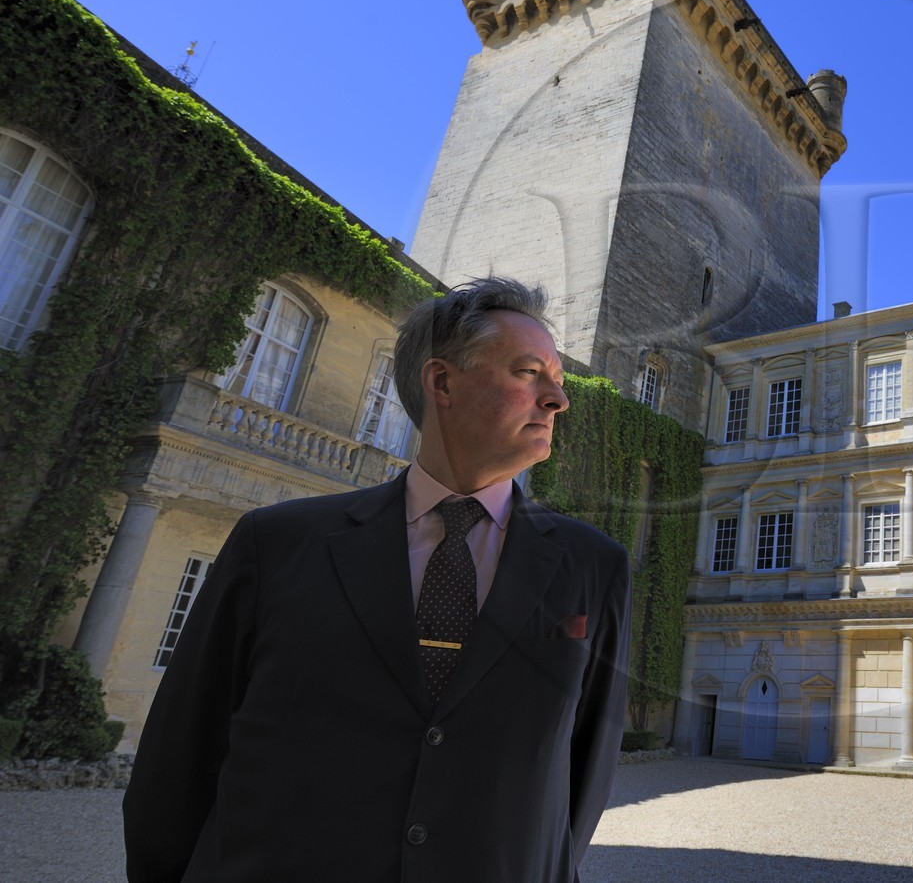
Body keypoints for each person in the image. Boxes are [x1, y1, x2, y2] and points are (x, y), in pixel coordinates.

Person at [125, 277, 631, 883]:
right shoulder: (276, 543)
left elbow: (584, 774)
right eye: (529, 373)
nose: (558, 399)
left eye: (559, 380)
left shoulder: (593, 567)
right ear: (442, 382)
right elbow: (181, 755)